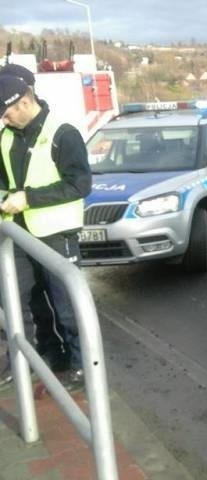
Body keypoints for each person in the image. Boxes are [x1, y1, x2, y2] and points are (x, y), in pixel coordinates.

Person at [0, 74, 91, 391]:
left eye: (7, 112)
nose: (4, 118)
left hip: (56, 234)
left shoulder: (62, 134)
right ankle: (45, 356)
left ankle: (83, 365)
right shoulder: (7, 136)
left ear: (24, 102)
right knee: (20, 300)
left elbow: (80, 184)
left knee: (67, 306)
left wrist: (28, 198)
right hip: (20, 234)